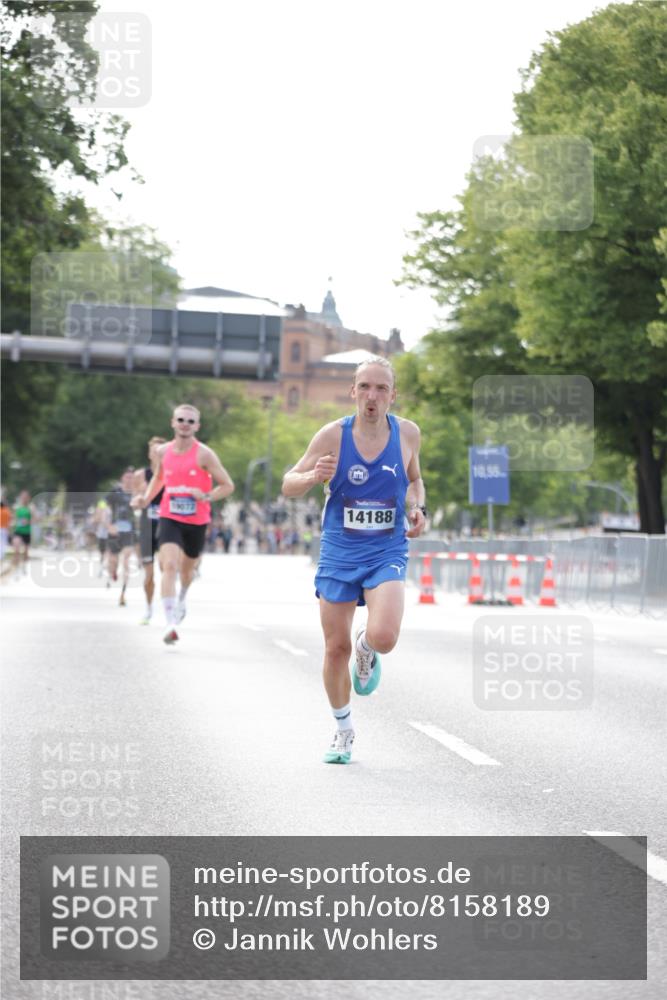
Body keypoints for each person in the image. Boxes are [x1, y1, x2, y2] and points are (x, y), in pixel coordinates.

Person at [282, 357, 426, 765]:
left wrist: (419, 508)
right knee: (334, 649)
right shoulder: (332, 436)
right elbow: (288, 483)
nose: (372, 396)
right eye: (365, 387)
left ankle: (368, 649)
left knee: (384, 637)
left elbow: (415, 479)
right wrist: (313, 477)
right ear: (353, 392)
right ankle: (343, 729)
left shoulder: (408, 433)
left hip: (386, 548)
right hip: (340, 550)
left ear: (392, 396)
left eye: (381, 389)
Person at [132, 403, 235, 645]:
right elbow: (159, 478)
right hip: (169, 516)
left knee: (186, 571)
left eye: (190, 421)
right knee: (168, 565)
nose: (185, 425)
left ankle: (182, 597)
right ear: (173, 422)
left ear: (197, 426)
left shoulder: (204, 454)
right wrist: (145, 499)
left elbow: (228, 485)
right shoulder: (162, 452)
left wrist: (206, 495)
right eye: (181, 420)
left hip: (197, 520)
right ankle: (170, 623)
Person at [133, 436, 166, 625]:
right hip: (147, 526)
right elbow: (135, 503)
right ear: (149, 454)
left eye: (161, 450)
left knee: (166, 566)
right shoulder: (141, 476)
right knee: (149, 574)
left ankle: (169, 602)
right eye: (154, 451)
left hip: (166, 525)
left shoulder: (171, 473)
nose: (157, 454)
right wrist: (140, 496)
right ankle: (148, 608)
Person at [106, 469, 137, 606]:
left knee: (126, 560)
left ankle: (123, 593)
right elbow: (105, 508)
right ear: (122, 478)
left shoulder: (137, 493)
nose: (129, 480)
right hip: (114, 530)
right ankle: (113, 572)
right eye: (127, 477)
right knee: (113, 561)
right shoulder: (115, 492)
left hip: (129, 531)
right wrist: (108, 526)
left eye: (132, 477)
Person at [11, 489, 35, 574]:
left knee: (26, 552)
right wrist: (13, 522)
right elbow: (14, 518)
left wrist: (27, 521)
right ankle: (15, 568)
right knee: (16, 549)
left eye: (25, 497)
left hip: (27, 532)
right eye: (22, 497)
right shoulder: (17, 507)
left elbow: (34, 519)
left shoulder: (31, 507)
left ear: (28, 498)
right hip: (18, 531)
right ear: (21, 498)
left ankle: (24, 566)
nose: (24, 499)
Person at [92, 499, 111, 577]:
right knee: (102, 553)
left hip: (109, 534)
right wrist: (98, 514)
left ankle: (107, 568)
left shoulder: (109, 511)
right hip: (101, 535)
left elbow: (107, 522)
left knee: (108, 552)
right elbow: (94, 521)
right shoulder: (100, 512)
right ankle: (102, 567)